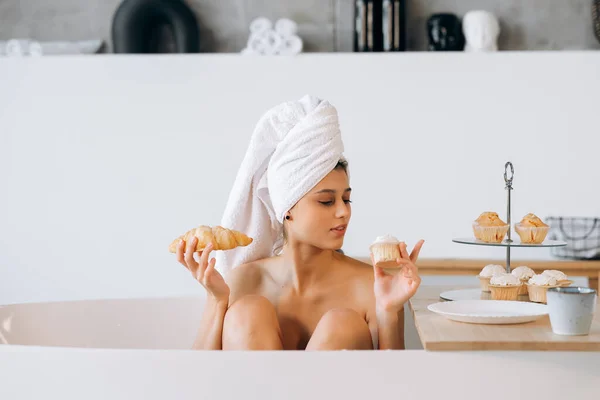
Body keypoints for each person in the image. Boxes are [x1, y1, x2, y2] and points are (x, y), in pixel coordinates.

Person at [175, 95, 424, 350]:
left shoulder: (371, 287)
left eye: (346, 200)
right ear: (287, 210)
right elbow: (201, 376)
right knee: (247, 311)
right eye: (326, 201)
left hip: (337, 391)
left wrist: (388, 311)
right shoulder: (243, 281)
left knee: (342, 324)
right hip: (253, 389)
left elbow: (391, 383)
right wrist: (217, 300)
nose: (343, 212)